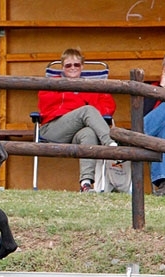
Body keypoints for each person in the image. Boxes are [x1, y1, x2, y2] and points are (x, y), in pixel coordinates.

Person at [37, 48, 118, 192]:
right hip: (53, 129)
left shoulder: (91, 86)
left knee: (89, 133)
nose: (73, 68)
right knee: (87, 110)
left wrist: (84, 107)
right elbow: (47, 106)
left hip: (76, 132)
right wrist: (81, 104)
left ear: (82, 67)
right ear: (62, 68)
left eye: (76, 65)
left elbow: (108, 107)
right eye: (68, 65)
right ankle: (110, 146)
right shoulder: (52, 83)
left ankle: (85, 184)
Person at [143, 49, 165, 197]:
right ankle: (164, 184)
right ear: (163, 69)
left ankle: (136, 138)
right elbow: (146, 115)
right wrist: (161, 89)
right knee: (162, 131)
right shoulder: (153, 88)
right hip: (164, 134)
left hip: (145, 133)